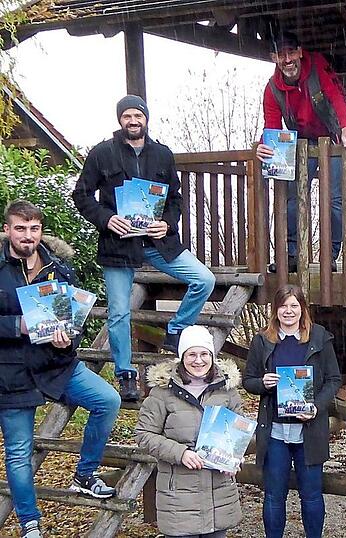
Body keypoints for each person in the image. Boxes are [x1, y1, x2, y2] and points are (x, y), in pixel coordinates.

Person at [72, 95, 216, 401]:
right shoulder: (102, 154)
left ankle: (176, 329)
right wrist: (107, 219)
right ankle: (126, 375)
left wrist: (167, 223)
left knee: (204, 279)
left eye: (138, 115)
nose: (133, 121)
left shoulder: (162, 154)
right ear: (120, 120)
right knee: (119, 313)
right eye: (127, 116)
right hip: (118, 247)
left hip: (156, 242)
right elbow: (82, 195)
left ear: (146, 119)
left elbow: (176, 198)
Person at [0, 200, 121, 538]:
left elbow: (75, 319)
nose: (27, 235)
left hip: (58, 364)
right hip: (12, 373)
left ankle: (84, 474)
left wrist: (67, 340)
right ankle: (30, 523)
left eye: (34, 228)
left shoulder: (60, 269)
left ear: (41, 230)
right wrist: (17, 326)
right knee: (19, 453)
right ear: (8, 229)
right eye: (20, 228)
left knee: (108, 401)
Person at [242, 285, 342, 538]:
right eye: (283, 306)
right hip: (275, 430)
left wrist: (316, 406)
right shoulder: (262, 340)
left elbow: (333, 380)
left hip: (309, 430)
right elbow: (248, 380)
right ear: (275, 310)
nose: (288, 311)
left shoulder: (319, 337)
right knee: (274, 495)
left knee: (311, 495)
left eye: (294, 306)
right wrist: (263, 383)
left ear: (303, 309)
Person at [256, 31, 346, 273]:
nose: (287, 59)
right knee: (293, 199)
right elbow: (271, 124)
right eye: (281, 55)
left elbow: (336, 97)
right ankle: (292, 254)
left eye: (291, 52)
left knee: (334, 199)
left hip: (333, 139)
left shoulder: (318, 67)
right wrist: (265, 144)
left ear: (300, 52)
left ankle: (331, 256)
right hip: (301, 144)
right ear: (274, 58)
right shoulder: (272, 89)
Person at [135, 325, 242, 538]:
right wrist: (180, 453)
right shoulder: (162, 393)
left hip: (218, 494)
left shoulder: (227, 391)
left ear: (212, 356)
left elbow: (239, 430)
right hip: (178, 498)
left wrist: (233, 457)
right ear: (182, 356)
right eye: (192, 354)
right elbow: (144, 434)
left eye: (204, 354)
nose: (198, 360)